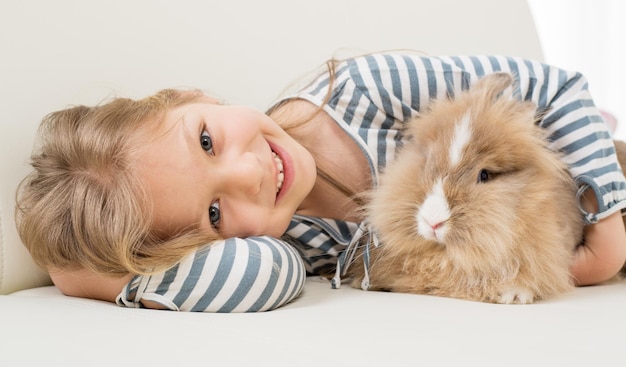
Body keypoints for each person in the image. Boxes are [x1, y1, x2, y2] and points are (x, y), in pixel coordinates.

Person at [16, 53, 626, 312]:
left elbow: (559, 86)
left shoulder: (362, 88)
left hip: (595, 176)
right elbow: (257, 278)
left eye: (206, 140)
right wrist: (105, 276)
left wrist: (605, 226)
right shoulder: (291, 244)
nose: (250, 171)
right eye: (214, 213)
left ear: (190, 96)